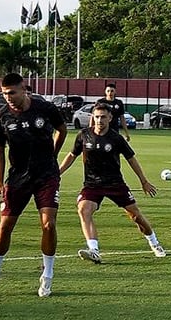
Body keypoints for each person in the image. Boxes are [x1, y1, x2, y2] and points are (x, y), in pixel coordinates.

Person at [0, 73, 66, 297]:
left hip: (46, 176)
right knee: (5, 226)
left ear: (24, 90)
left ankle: (47, 275)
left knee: (48, 225)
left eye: (12, 93)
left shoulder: (45, 108)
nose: (8, 97)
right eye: (5, 94)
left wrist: (53, 155)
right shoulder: (1, 117)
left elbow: (62, 129)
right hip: (17, 179)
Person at [59, 101, 165, 262]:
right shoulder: (84, 135)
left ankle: (154, 243)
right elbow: (72, 155)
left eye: (103, 117)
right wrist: (58, 173)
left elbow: (131, 159)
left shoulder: (116, 138)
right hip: (92, 184)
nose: (99, 120)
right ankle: (94, 250)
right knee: (83, 209)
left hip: (115, 184)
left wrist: (144, 181)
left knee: (135, 216)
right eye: (97, 117)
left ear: (110, 118)